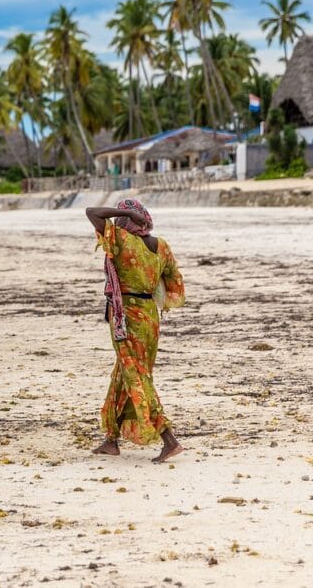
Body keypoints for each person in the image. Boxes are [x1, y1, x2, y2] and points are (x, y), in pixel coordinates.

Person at [85, 199, 186, 464]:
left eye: (123, 218)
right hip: (149, 316)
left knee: (136, 374)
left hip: (126, 315)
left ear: (128, 219)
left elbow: (91, 212)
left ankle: (168, 438)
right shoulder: (160, 245)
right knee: (124, 372)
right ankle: (111, 439)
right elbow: (174, 284)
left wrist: (123, 211)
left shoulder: (120, 239)